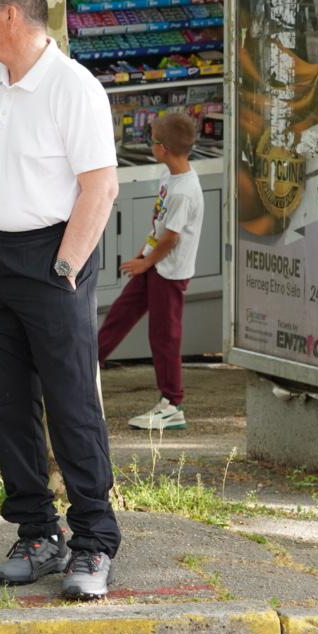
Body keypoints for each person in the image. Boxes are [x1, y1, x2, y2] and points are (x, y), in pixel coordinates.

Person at [0, 0, 121, 601]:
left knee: (71, 400)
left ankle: (94, 541)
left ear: (11, 15)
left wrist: (65, 267)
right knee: (6, 404)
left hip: (50, 259)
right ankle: (35, 531)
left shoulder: (73, 87)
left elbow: (99, 186)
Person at [97, 113, 205, 432]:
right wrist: (144, 254)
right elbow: (160, 227)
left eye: (152, 140)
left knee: (164, 336)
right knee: (121, 313)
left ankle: (172, 404)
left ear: (163, 149)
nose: (149, 144)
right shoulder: (169, 175)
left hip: (168, 272)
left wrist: (147, 261)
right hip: (154, 263)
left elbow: (172, 237)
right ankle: (87, 367)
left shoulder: (184, 190)